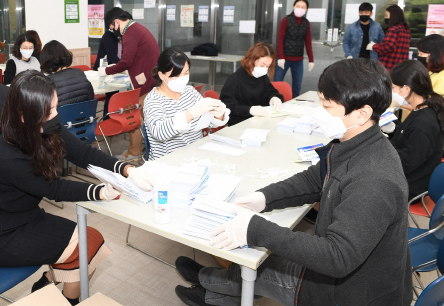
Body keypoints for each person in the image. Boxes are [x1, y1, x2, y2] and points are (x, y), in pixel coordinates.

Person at [174, 58, 412, 306]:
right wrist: (264, 198)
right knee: (266, 262)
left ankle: (207, 287)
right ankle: (209, 286)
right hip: (345, 274)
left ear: (362, 113)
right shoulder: (356, 143)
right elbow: (314, 178)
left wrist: (256, 229)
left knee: (265, 268)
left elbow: (337, 257)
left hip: (353, 293)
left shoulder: (374, 177)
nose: (320, 113)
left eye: (327, 107)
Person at [0, 70, 153, 305]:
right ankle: (67, 299)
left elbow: (83, 153)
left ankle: (49, 282)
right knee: (86, 249)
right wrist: (99, 192)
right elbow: (54, 189)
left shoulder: (44, 125)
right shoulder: (5, 155)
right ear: (23, 116)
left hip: (27, 217)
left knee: (91, 241)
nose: (55, 114)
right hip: (1, 235)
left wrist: (127, 170)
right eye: (49, 110)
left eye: (55, 106)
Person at [98, 7, 160, 161]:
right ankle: (147, 150)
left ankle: (134, 153)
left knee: (135, 116)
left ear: (116, 22)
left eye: (112, 28)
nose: (113, 31)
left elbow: (126, 61)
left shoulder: (130, 33)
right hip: (150, 80)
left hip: (145, 83)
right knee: (146, 117)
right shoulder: (138, 28)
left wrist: (106, 71)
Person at [144, 49, 229, 159]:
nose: (182, 79)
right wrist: (191, 113)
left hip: (195, 155)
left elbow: (210, 123)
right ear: (161, 75)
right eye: (175, 75)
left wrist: (219, 114)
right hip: (168, 161)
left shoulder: (190, 92)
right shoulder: (153, 100)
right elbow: (159, 133)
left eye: (186, 73)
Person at [386, 60, 444, 199]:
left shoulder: (423, 123)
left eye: (394, 87)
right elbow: (407, 139)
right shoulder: (422, 110)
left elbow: (404, 164)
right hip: (408, 178)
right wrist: (394, 129)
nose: (392, 92)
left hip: (410, 187)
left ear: (406, 89)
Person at [220, 43, 284, 126]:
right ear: (251, 60)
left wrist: (274, 98)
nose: (264, 69)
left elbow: (269, 91)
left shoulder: (262, 77)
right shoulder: (235, 79)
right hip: (240, 123)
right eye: (262, 65)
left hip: (260, 121)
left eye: (268, 66)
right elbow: (227, 105)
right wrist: (249, 110)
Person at [274, 0, 314, 98]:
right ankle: (273, 102)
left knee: (297, 87)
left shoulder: (306, 23)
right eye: (298, 6)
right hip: (284, 59)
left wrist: (311, 59)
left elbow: (308, 42)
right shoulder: (285, 20)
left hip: (298, 61)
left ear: (306, 9)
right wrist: (281, 56)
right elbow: (280, 39)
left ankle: (293, 106)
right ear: (293, 7)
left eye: (303, 7)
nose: (300, 8)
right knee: (276, 84)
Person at [40, 40, 94, 107]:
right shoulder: (79, 72)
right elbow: (90, 97)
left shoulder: (49, 81)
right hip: (84, 115)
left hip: (61, 117)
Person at [368, 5, 411, 71]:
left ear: (394, 16)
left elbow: (389, 46)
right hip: (402, 66)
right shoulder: (406, 30)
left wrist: (374, 46)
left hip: (390, 65)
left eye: (387, 15)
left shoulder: (393, 29)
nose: (385, 18)